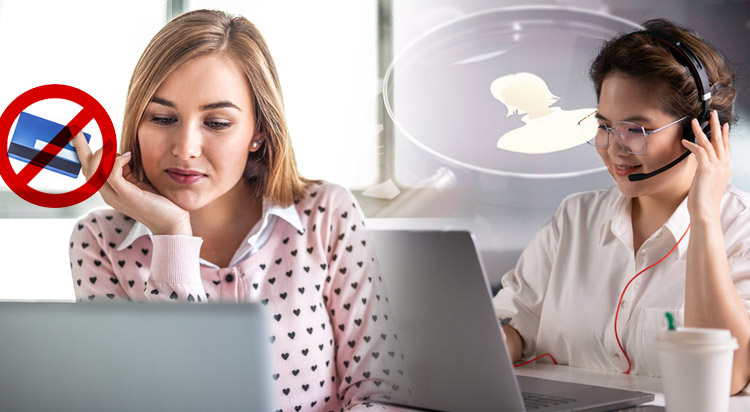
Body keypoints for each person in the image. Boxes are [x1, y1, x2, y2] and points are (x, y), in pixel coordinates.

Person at [69, 9, 406, 410]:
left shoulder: (326, 215)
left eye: (216, 123)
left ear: (258, 132)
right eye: (162, 118)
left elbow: (380, 393)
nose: (186, 148)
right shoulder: (99, 242)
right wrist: (171, 235)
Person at [492, 18, 750, 394]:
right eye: (605, 125)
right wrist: (485, 346)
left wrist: (705, 217)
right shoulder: (574, 218)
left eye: (637, 130)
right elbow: (518, 324)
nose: (613, 148)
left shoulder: (739, 229)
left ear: (702, 130)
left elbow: (725, 376)